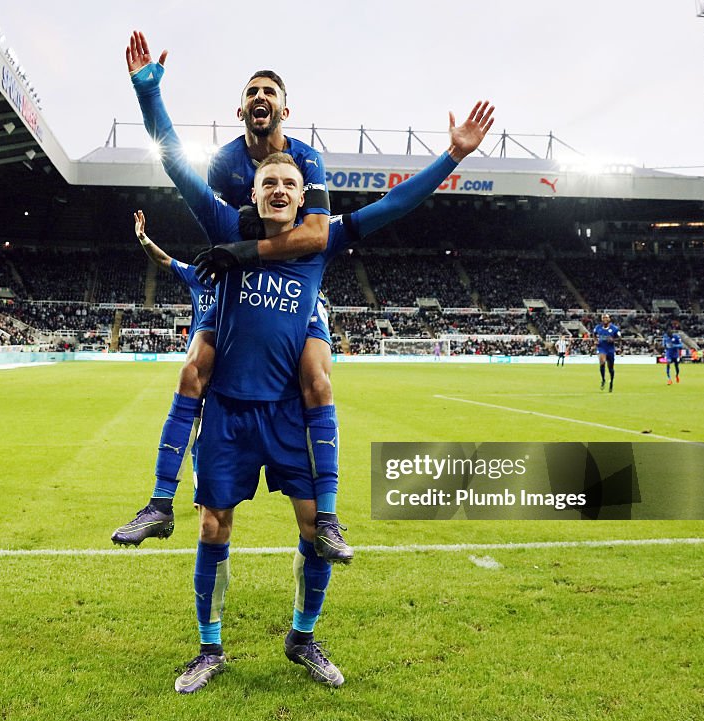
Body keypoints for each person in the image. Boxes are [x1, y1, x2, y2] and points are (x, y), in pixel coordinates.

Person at [126, 29, 494, 694]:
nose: (277, 187)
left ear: (302, 193)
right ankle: (208, 646)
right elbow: (177, 164)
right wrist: (149, 96)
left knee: (310, 519)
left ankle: (304, 634)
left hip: (288, 413)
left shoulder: (318, 237)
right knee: (212, 517)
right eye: (268, 182)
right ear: (252, 191)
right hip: (233, 412)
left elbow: (391, 205)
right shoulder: (223, 220)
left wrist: (451, 157)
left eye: (289, 184)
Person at [111, 61, 348, 564]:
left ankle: (326, 515)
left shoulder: (306, 158)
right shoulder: (223, 161)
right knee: (193, 367)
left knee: (316, 378)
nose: (261, 98)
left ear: (285, 109)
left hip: (294, 285)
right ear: (240, 109)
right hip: (236, 287)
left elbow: (316, 235)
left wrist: (246, 250)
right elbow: (208, 207)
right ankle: (159, 502)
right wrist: (149, 94)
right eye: (252, 92)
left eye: (270, 91)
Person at [111, 209, 215, 540]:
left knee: (208, 439)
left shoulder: (244, 277)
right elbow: (164, 260)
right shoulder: (198, 276)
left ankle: (196, 498)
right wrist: (143, 238)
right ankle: (170, 502)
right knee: (192, 432)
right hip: (200, 367)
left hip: (231, 372)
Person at [593, 313, 620, 392]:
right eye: (603, 318)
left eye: (606, 318)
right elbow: (594, 334)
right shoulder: (598, 327)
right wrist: (595, 341)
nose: (605, 319)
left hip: (610, 349)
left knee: (610, 368)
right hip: (601, 347)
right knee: (602, 362)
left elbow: (619, 338)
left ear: (609, 319)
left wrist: (613, 340)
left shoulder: (614, 328)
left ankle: (611, 382)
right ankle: (603, 380)